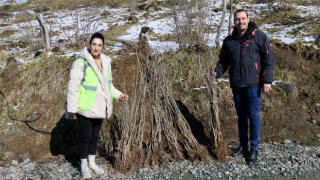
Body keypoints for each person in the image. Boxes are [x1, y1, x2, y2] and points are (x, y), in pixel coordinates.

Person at [206, 9, 274, 165]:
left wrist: (267, 81)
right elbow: (223, 62)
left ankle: (254, 149)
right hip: (237, 84)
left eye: (243, 18)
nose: (240, 21)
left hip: (254, 84)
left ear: (248, 19)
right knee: (241, 116)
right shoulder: (229, 40)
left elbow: (268, 60)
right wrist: (215, 73)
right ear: (234, 21)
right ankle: (243, 145)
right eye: (237, 19)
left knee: (253, 116)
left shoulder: (260, 36)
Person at [67, 32, 128, 178]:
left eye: (99, 45)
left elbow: (108, 85)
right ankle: (83, 166)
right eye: (94, 44)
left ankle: (92, 163)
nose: (96, 47)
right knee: (85, 137)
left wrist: (119, 95)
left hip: (100, 107)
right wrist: (72, 109)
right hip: (85, 107)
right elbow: (73, 87)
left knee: (95, 137)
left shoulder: (106, 62)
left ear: (102, 47)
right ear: (89, 45)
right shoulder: (80, 62)